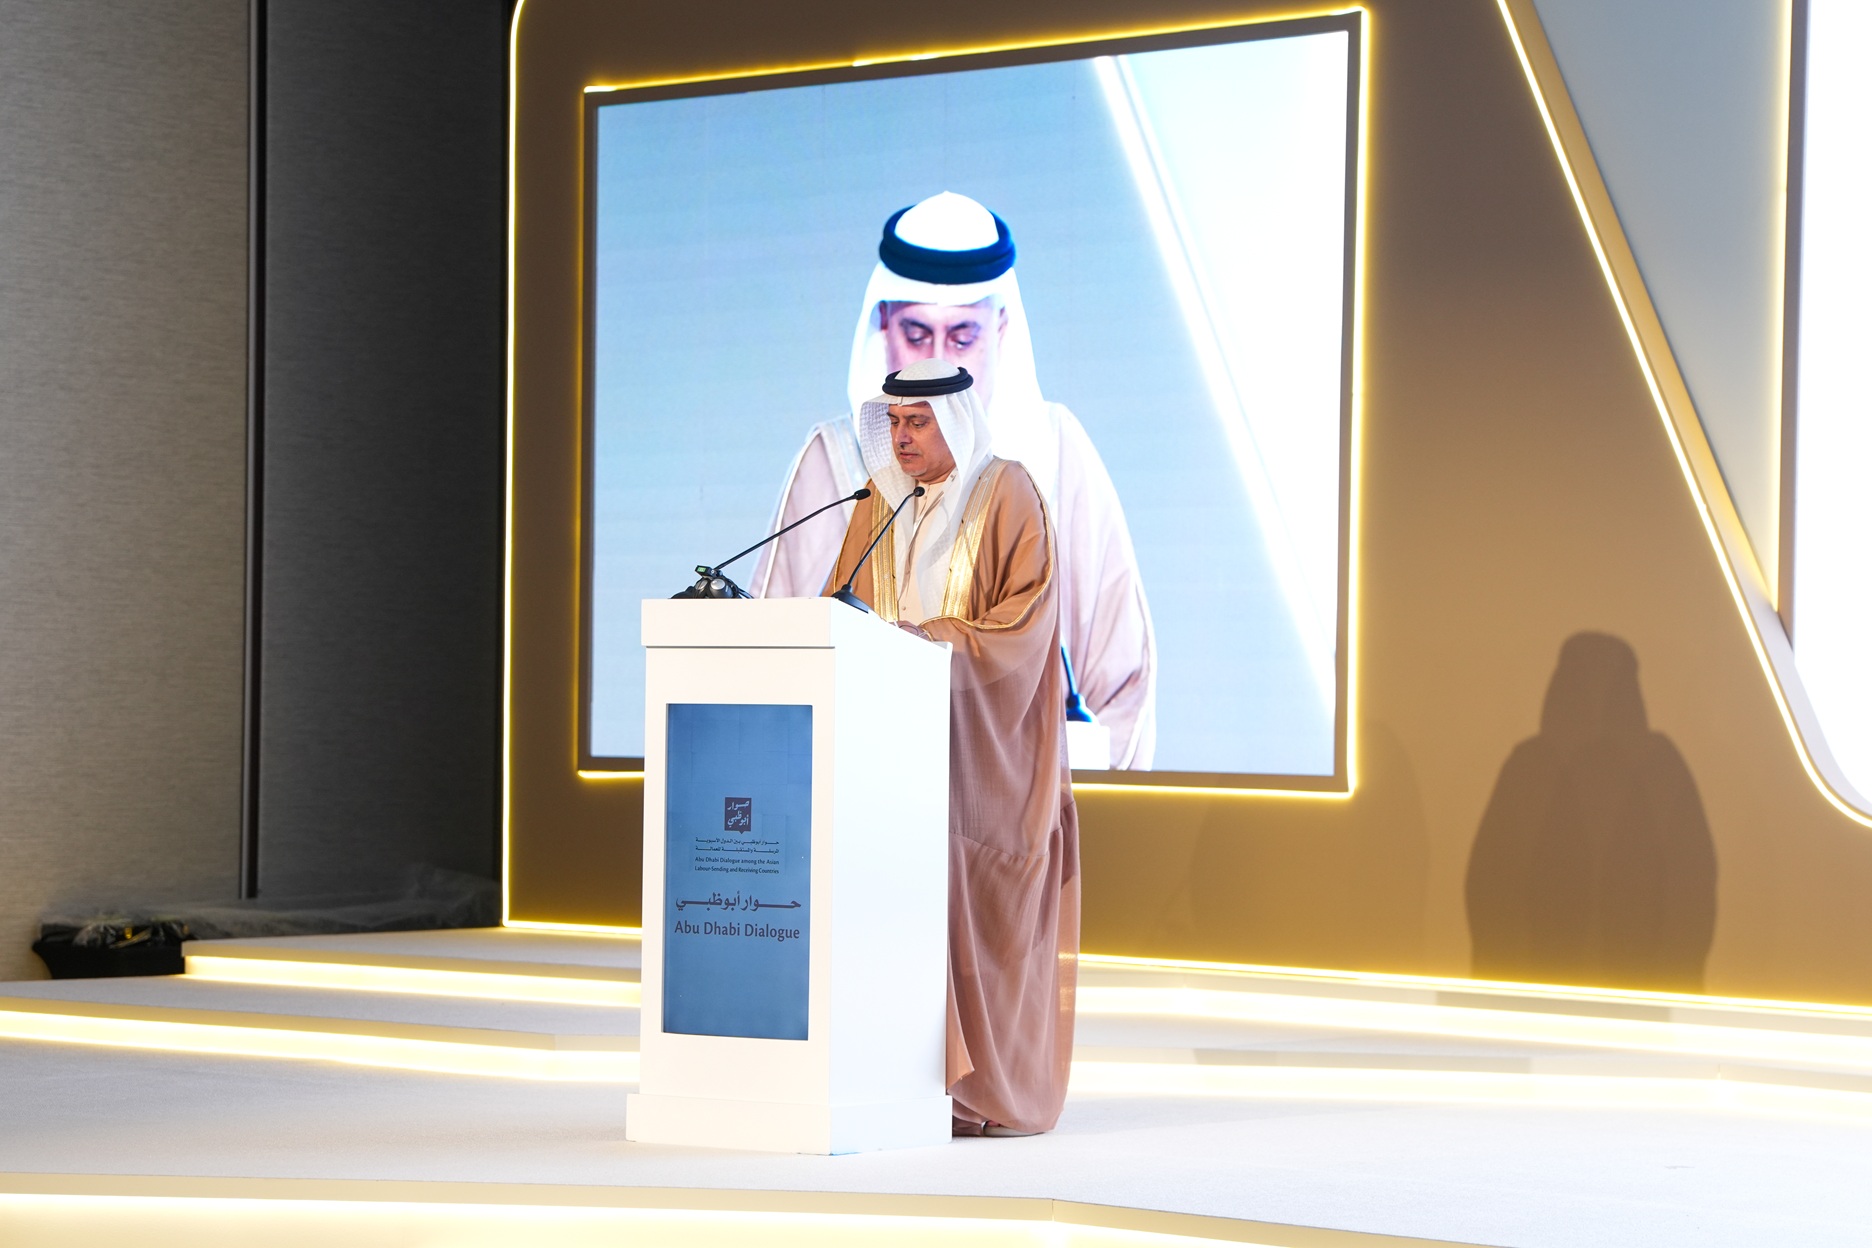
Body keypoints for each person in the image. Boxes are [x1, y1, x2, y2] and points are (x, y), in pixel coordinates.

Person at [756, 191, 1158, 769]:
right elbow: (772, 661)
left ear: (1000, 329)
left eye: (962, 337)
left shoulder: (1055, 452)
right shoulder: (836, 461)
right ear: (883, 325)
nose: (937, 365)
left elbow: (1122, 685)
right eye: (917, 335)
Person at [825, 357, 1078, 1137]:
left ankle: (984, 1096)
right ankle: (903, 1083)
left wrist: (922, 642)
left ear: (956, 422)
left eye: (918, 422)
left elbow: (1025, 620)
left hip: (982, 758)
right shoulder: (878, 505)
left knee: (980, 922)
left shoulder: (1008, 492)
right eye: (894, 423)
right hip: (890, 758)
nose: (901, 438)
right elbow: (838, 613)